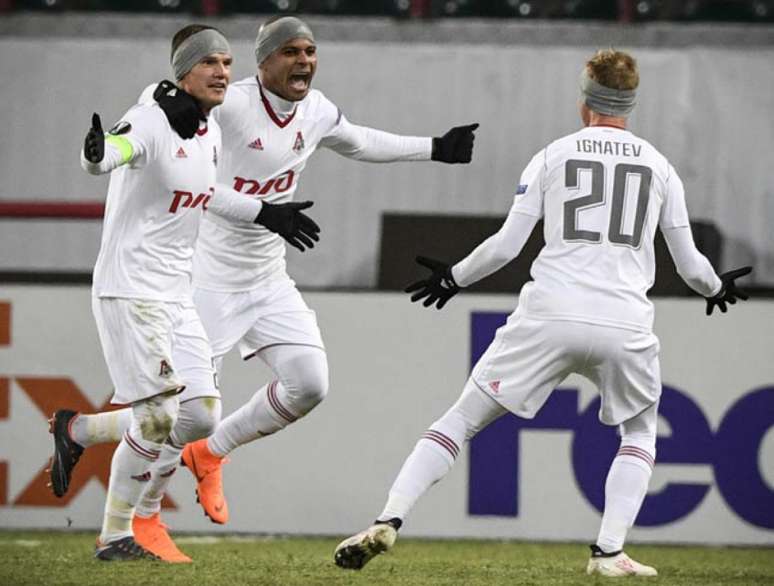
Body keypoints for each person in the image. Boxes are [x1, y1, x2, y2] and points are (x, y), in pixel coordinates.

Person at [48, 15, 478, 562]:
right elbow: (159, 111)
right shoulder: (232, 102)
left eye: (311, 50)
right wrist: (145, 114)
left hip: (268, 275)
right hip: (206, 277)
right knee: (184, 412)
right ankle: (143, 517)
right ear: (266, 61)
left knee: (309, 383)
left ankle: (206, 453)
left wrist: (435, 148)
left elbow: (361, 141)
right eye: (292, 51)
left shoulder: (316, 111)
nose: (304, 60)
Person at [333, 49, 752, 577]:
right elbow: (691, 267)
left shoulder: (553, 155)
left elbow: (507, 246)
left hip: (550, 313)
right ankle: (608, 551)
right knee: (640, 432)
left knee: (460, 421)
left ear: (585, 100)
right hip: (625, 321)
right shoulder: (659, 166)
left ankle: (389, 519)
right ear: (631, 102)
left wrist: (453, 277)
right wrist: (716, 288)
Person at [52, 24, 318, 562]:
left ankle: (77, 429)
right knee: (157, 418)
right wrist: (97, 152)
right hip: (132, 288)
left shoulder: (208, 129)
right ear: (183, 73)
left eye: (226, 63)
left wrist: (265, 211)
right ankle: (116, 535)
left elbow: (206, 192)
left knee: (199, 417)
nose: (223, 73)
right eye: (210, 64)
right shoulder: (151, 117)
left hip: (178, 290)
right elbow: (113, 151)